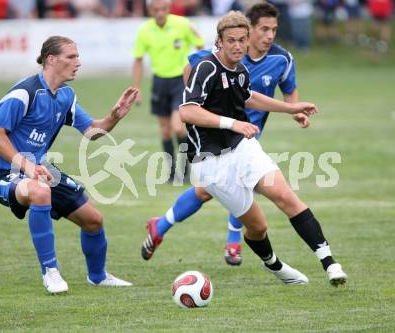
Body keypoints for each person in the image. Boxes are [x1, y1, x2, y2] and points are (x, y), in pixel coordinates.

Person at [141, 11, 347, 286]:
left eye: (241, 40)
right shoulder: (207, 67)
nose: (237, 46)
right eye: (231, 41)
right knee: (257, 227)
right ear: (220, 42)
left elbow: (248, 97)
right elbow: (188, 111)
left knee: (287, 197)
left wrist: (291, 107)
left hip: (244, 149)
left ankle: (330, 263)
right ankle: (275, 265)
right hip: (212, 162)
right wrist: (232, 124)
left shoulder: (242, 69)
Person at [0, 36, 138, 294]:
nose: (78, 62)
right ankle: (50, 272)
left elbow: (91, 131)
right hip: (6, 173)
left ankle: (98, 277)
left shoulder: (66, 96)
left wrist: (114, 116)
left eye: (77, 56)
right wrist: (28, 167)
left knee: (93, 220)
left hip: (40, 169)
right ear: (51, 60)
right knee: (40, 191)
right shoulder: (25, 93)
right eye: (71, 57)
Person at [185, 2, 310, 266]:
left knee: (251, 189)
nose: (269, 35)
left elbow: (269, 93)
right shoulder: (210, 63)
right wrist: (206, 106)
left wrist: (293, 109)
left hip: (246, 139)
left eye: (274, 29)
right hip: (214, 145)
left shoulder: (270, 61)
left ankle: (235, 244)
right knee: (205, 191)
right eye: (264, 29)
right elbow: (189, 95)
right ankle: (162, 226)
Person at [132, 0, 203, 183]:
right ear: (150, 10)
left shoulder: (183, 25)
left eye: (163, 9)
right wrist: (137, 88)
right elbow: (138, 59)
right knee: (164, 131)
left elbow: (200, 46)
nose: (160, 13)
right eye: (156, 10)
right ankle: (172, 174)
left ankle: (186, 171)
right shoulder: (145, 30)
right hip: (159, 82)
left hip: (180, 81)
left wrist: (197, 75)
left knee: (178, 127)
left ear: (168, 8)